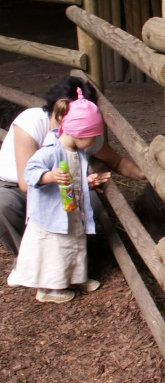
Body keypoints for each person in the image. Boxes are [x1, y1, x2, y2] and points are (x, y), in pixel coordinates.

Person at [0, 76, 146, 256]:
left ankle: (73, 256)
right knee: (4, 206)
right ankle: (26, 258)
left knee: (93, 203)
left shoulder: (82, 130)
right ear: (59, 112)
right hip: (17, 187)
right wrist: (81, 183)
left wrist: (144, 174)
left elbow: (116, 161)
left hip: (64, 188)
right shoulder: (32, 123)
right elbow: (26, 183)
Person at [7, 88, 109, 303]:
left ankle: (75, 277)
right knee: (55, 249)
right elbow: (30, 172)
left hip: (71, 210)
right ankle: (49, 289)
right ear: (77, 132)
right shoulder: (50, 151)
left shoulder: (77, 152)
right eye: (91, 137)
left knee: (74, 244)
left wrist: (86, 181)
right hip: (53, 212)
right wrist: (49, 176)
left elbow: (74, 175)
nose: (93, 143)